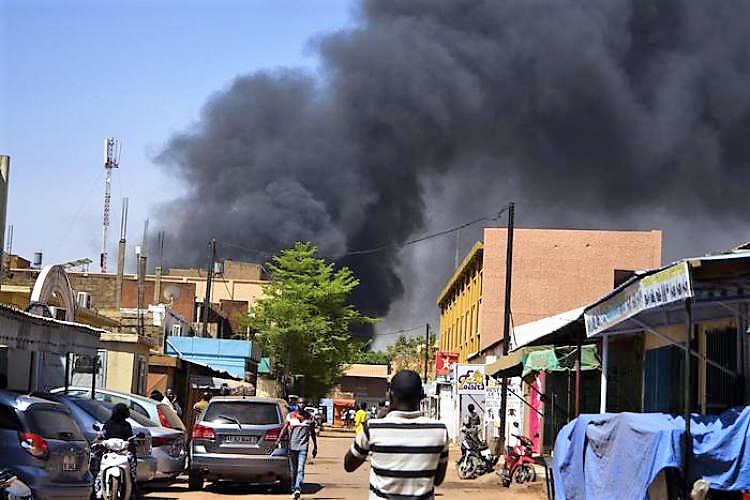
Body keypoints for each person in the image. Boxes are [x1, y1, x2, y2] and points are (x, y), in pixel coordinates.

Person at [344, 370, 449, 500]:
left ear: (390, 395)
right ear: (422, 396)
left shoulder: (373, 428)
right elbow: (438, 480)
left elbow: (349, 465)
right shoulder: (439, 430)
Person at [94, 403, 137, 498]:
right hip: (109, 452)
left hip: (122, 453)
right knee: (97, 466)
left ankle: (132, 485)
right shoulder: (109, 424)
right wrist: (100, 439)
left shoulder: (126, 425)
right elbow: (102, 436)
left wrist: (129, 444)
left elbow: (130, 440)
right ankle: (97, 489)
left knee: (132, 464)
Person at [278, 398, 318, 499]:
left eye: (303, 403)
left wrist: (315, 447)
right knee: (293, 470)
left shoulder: (310, 417)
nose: (301, 405)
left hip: (303, 447)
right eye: (300, 403)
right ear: (297, 404)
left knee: (300, 469)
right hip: (292, 447)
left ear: (305, 405)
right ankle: (293, 488)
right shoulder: (290, 416)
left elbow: (312, 433)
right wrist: (278, 439)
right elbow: (284, 428)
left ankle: (297, 489)